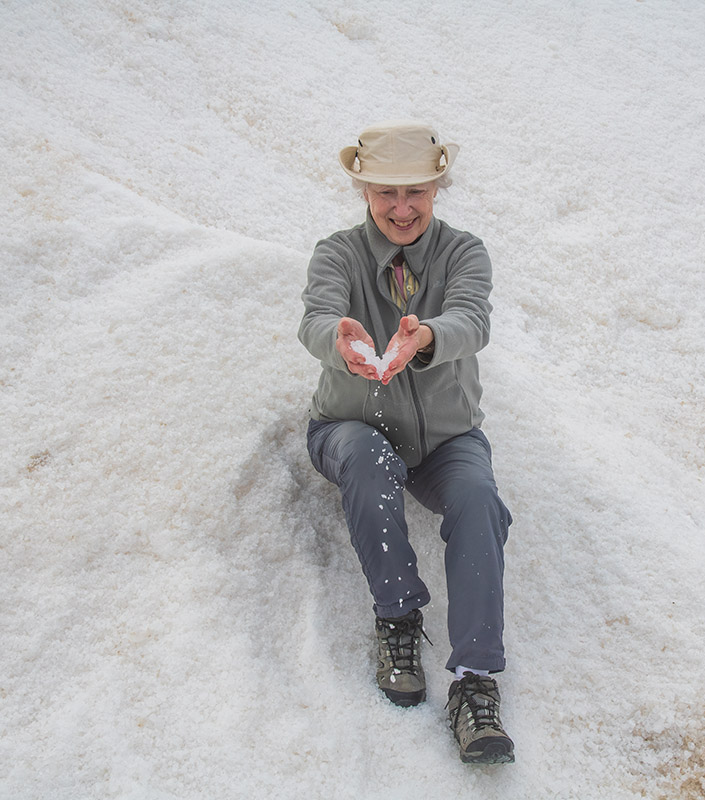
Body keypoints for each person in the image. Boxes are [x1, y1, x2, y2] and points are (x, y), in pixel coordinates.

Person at [298, 120, 515, 765]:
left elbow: (471, 319)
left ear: (437, 188)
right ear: (363, 191)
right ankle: (397, 620)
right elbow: (316, 317)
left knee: (478, 498)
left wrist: (425, 339)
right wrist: (339, 342)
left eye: (415, 192)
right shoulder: (337, 253)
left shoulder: (464, 252)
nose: (401, 209)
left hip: (447, 438)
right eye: (386, 193)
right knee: (365, 456)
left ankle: (475, 682)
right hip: (350, 426)